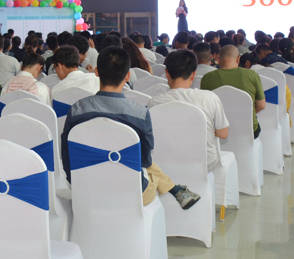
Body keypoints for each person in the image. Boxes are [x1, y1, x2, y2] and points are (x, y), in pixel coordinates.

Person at [61, 47, 200, 209]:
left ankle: (176, 190)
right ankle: (175, 190)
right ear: (128, 76)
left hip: (86, 187)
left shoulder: (77, 110)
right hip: (131, 190)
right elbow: (145, 160)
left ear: (96, 72)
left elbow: (67, 156)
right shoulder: (139, 113)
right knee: (143, 163)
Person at [149, 50, 231, 206]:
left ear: (167, 73)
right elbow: (223, 133)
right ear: (193, 75)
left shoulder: (155, 102)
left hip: (166, 162)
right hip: (203, 162)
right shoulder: (209, 98)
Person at [200, 45, 264, 138]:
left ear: (218, 59)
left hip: (218, 131)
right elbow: (261, 105)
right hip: (249, 130)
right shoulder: (252, 75)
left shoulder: (207, 78)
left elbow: (205, 108)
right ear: (238, 59)